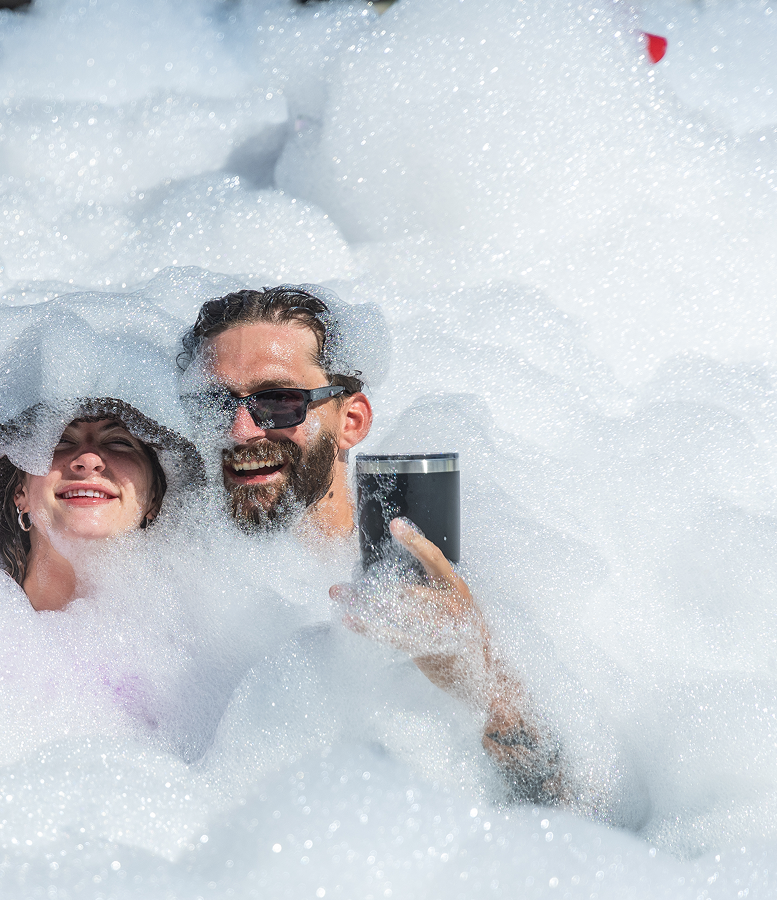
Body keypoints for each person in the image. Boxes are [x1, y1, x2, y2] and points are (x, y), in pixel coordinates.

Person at [176, 284, 566, 805]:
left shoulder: (476, 565)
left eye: (278, 401)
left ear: (351, 421)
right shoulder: (168, 579)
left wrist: (482, 678)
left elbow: (586, 823)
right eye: (211, 403)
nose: (240, 429)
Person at [0, 398, 196, 611]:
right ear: (20, 492)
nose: (89, 460)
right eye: (61, 440)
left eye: (118, 442)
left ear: (154, 498)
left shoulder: (189, 641)